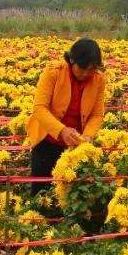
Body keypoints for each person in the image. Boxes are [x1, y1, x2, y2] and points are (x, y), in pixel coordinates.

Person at [26, 38, 106, 195]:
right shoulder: (53, 72)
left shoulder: (98, 80)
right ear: (71, 60)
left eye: (91, 70)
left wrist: (88, 136)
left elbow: (97, 115)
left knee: (70, 192)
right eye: (82, 68)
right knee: (41, 192)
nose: (86, 74)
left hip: (75, 146)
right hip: (47, 141)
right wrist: (61, 130)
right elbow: (39, 108)